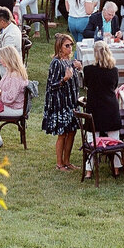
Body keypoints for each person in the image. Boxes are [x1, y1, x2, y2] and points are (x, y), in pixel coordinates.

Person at [81, 40, 124, 177]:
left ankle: (89, 170)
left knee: (91, 137)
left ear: (95, 54)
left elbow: (86, 84)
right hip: (110, 107)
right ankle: (116, 168)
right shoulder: (114, 71)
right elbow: (114, 86)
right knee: (114, 138)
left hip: (94, 107)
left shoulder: (88, 70)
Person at [42, 34, 82, 172]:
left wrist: (79, 69)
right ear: (59, 47)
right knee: (62, 133)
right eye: (67, 45)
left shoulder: (70, 62)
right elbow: (51, 85)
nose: (70, 48)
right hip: (60, 103)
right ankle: (59, 163)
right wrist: (64, 79)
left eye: (71, 45)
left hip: (71, 102)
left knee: (72, 132)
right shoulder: (56, 63)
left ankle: (67, 161)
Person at [0, 45, 30, 146]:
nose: (0, 60)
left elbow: (10, 98)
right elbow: (3, 86)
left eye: (2, 58)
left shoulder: (15, 76)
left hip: (14, 107)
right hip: (10, 104)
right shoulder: (10, 71)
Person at [0, 9, 22, 80]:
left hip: (8, 68)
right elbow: (0, 38)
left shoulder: (11, 35)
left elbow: (5, 56)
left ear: (2, 22)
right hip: (6, 62)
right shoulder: (11, 27)